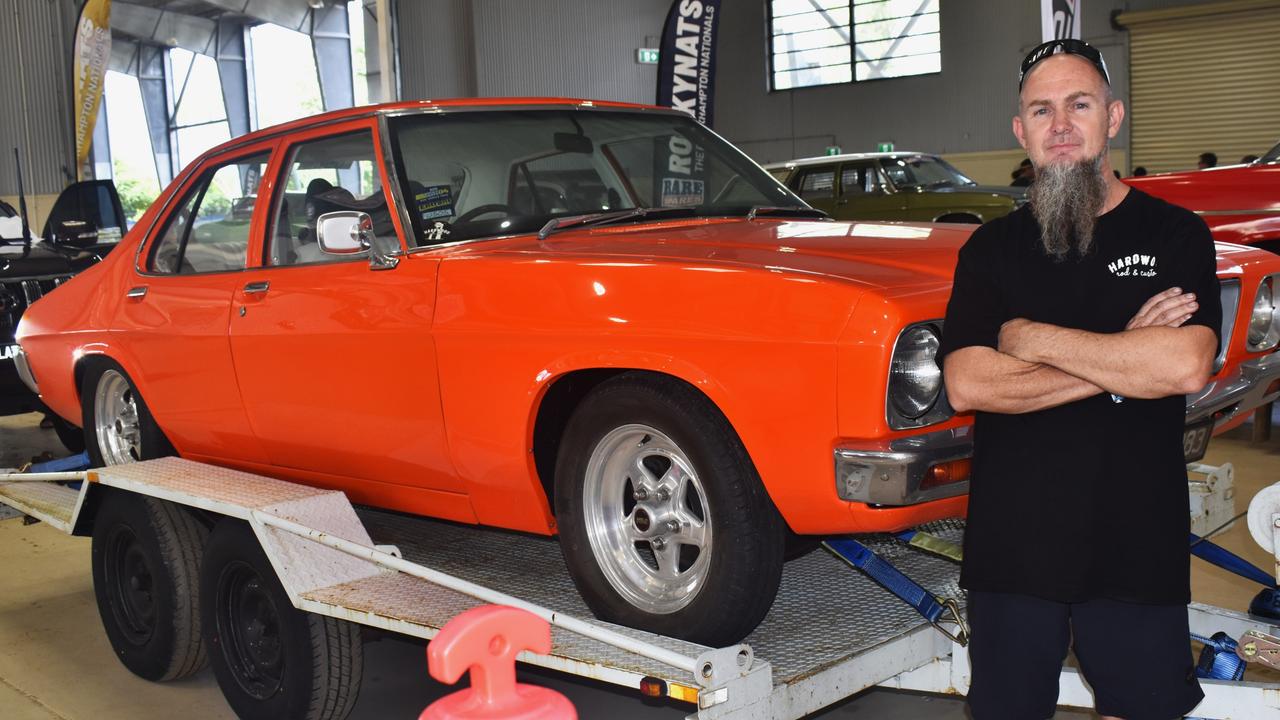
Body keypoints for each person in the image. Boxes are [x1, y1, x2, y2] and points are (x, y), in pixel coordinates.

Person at [940, 38, 1219, 720]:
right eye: (1041, 109)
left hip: (1135, 542)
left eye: (1079, 104)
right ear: (1021, 130)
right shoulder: (990, 250)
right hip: (1013, 552)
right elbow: (969, 384)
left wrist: (1035, 342)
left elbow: (1183, 364)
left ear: (1113, 117)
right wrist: (1127, 357)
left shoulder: (1177, 234)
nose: (1060, 124)